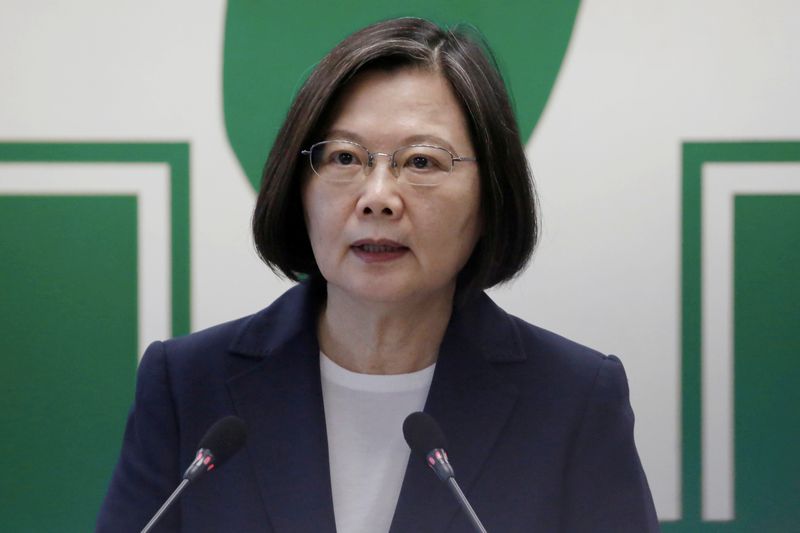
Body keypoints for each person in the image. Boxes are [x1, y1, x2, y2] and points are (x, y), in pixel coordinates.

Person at [97, 17, 660, 533]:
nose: (378, 198)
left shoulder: (571, 401)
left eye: (422, 162)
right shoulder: (188, 387)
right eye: (344, 158)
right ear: (299, 189)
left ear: (490, 197)